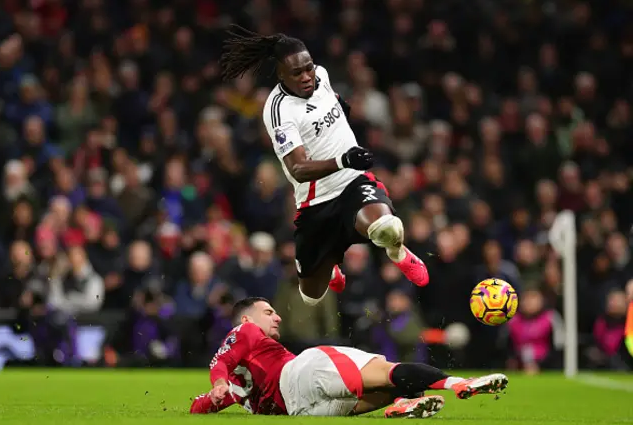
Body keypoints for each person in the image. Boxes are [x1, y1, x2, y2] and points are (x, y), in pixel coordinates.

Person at [220, 26, 430, 306]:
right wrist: (342, 158)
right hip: (315, 200)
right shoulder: (279, 110)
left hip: (353, 180)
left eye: (308, 68)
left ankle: (398, 253)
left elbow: (328, 104)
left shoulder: (321, 75)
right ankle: (328, 263)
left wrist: (341, 111)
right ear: (281, 74)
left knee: (386, 228)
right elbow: (297, 169)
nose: (307, 76)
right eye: (297, 73)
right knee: (311, 296)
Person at [189, 297, 509, 418]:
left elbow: (199, 405)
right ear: (246, 320)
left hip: (301, 411)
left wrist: (215, 393)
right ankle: (457, 383)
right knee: (385, 370)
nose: (278, 318)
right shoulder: (244, 332)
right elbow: (219, 364)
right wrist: (217, 379)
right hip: (302, 371)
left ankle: (403, 403)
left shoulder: (233, 389)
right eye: (269, 312)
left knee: (380, 391)